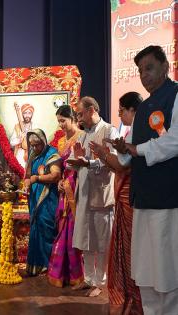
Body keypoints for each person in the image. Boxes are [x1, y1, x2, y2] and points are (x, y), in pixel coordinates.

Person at [111, 45, 178, 314]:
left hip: (168, 200)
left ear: (165, 67)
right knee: (147, 270)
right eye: (140, 71)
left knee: (168, 270)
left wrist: (137, 150)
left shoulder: (175, 96)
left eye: (149, 68)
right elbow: (129, 156)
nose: (144, 75)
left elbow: (174, 140)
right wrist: (118, 150)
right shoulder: (143, 109)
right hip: (143, 200)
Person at [90, 92, 143, 314]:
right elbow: (122, 165)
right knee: (126, 251)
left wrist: (103, 153)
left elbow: (122, 166)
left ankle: (135, 298)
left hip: (132, 199)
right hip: (127, 198)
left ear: (133, 110)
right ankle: (131, 296)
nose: (119, 114)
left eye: (121, 110)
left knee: (132, 252)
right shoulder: (132, 133)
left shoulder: (138, 132)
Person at [67, 96, 118, 297]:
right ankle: (88, 279)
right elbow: (79, 161)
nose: (78, 119)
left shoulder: (109, 130)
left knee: (103, 240)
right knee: (86, 238)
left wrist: (88, 163)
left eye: (80, 114)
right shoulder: (82, 135)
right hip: (85, 193)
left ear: (91, 110)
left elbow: (113, 162)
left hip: (102, 194)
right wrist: (76, 161)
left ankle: (100, 281)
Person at [47, 105, 84, 288]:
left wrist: (70, 183)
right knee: (63, 228)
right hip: (64, 188)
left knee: (74, 231)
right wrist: (60, 182)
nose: (61, 124)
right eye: (59, 121)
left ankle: (78, 275)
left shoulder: (81, 137)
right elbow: (60, 168)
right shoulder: (61, 142)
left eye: (63, 120)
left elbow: (83, 165)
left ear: (72, 119)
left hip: (78, 189)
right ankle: (63, 274)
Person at [24, 128, 61, 277]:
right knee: (36, 231)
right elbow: (28, 175)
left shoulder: (52, 154)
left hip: (47, 200)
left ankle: (48, 266)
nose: (34, 148)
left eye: (37, 144)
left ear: (44, 141)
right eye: (32, 145)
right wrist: (27, 182)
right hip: (34, 198)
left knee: (46, 230)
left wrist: (37, 179)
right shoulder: (33, 155)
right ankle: (35, 265)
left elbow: (56, 175)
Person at [10, 103, 36, 169]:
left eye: (29, 113)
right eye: (25, 113)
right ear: (22, 114)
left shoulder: (35, 126)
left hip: (33, 154)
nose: (27, 115)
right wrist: (19, 139)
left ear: (32, 114)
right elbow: (12, 142)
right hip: (20, 155)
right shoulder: (17, 126)